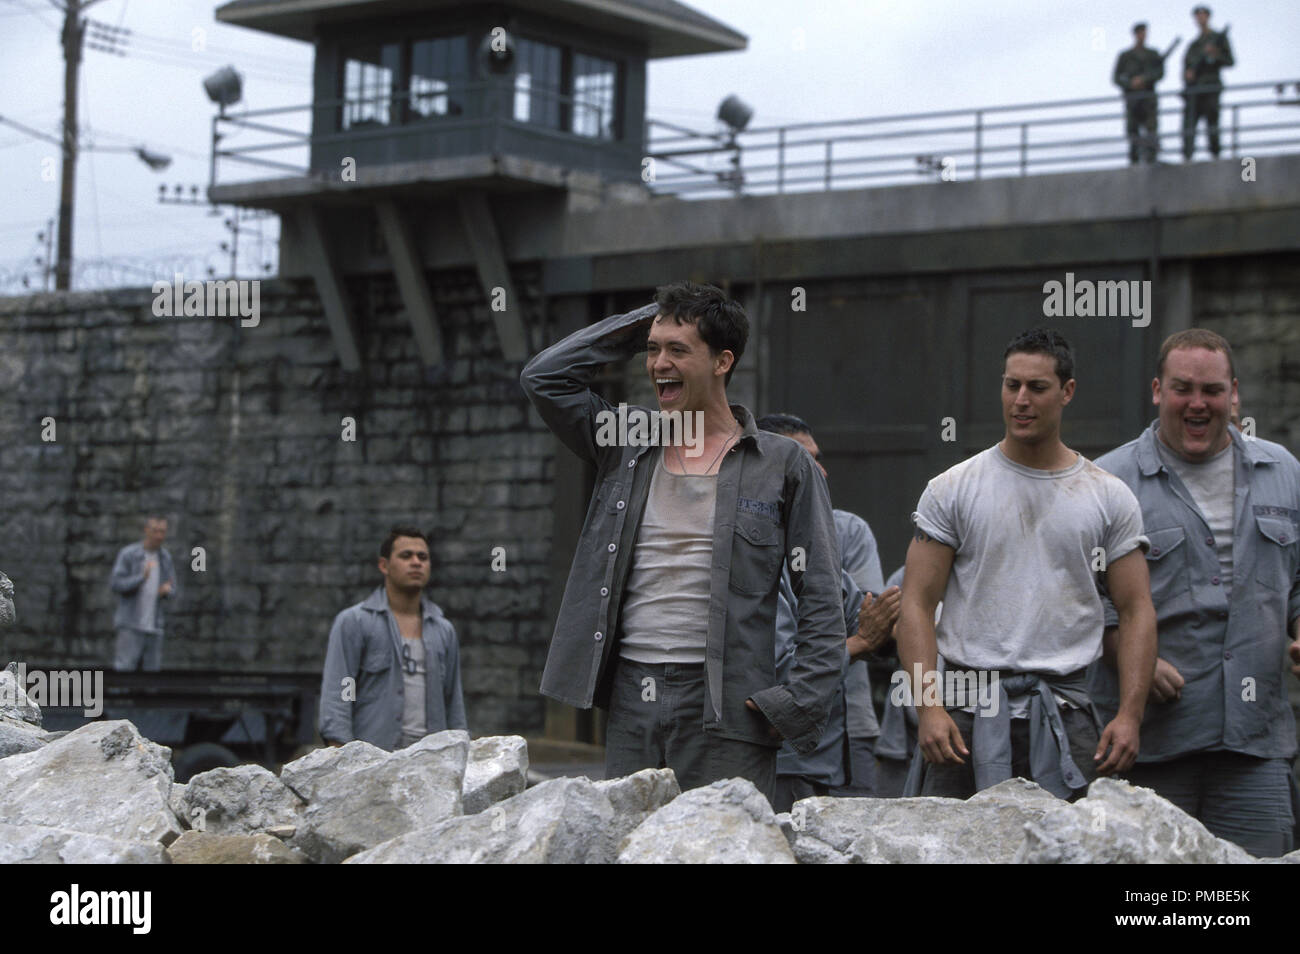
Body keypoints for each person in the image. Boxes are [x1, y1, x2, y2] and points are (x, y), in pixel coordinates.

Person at [520, 282, 845, 802]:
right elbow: (544, 378)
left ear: (722, 361)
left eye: (677, 350)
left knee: (722, 850)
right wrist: (650, 319)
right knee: (632, 846)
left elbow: (823, 595)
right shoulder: (625, 439)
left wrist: (799, 702)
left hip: (729, 704)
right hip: (631, 696)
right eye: (652, 349)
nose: (658, 364)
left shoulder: (783, 463)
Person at [896, 327, 1157, 799]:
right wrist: (929, 707)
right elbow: (916, 603)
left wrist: (1129, 716)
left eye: (1036, 387)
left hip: (1065, 712)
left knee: (1069, 851)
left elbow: (1137, 609)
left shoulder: (1107, 496)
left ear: (1067, 391)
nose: (1020, 399)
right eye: (1011, 384)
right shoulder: (953, 488)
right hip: (965, 714)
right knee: (951, 851)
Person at [1089, 330, 1300, 857]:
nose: (1198, 403)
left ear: (1235, 396)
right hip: (1150, 746)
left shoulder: (1284, 474)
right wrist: (1128, 654)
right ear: (1157, 390)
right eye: (1183, 388)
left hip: (1256, 747)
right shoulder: (1109, 484)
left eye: (1212, 390)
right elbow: (1074, 605)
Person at [756, 413, 901, 806]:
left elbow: (873, 618)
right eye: (805, 460)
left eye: (818, 459)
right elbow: (782, 669)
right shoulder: (753, 554)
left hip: (828, 756)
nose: (820, 472)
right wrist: (859, 643)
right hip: (780, 760)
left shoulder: (815, 548)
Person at [319, 526, 466, 750]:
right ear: (384, 565)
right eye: (406, 556)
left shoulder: (443, 630)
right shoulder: (354, 622)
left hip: (432, 760)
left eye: (423, 557)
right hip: (373, 758)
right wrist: (340, 754)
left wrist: (459, 749)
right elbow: (338, 693)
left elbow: (453, 702)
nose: (416, 562)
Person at [108, 516, 177, 671]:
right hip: (130, 624)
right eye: (155, 531)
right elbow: (116, 584)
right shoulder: (128, 554)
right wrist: (141, 578)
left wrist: (166, 591)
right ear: (146, 531)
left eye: (162, 532)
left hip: (154, 625)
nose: (159, 536)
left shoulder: (165, 558)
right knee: (125, 668)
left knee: (151, 673)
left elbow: (173, 587)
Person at [1182, 5, 1234, 161]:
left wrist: (1215, 54)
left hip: (1211, 88)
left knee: (1212, 124)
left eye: (1203, 15)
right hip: (1194, 91)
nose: (1200, 18)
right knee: (1189, 125)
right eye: (1197, 16)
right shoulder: (1194, 45)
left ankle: (1215, 155)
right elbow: (1186, 68)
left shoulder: (1218, 39)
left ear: (1208, 17)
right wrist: (1188, 75)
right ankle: (1188, 156)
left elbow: (1230, 61)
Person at [1113, 22, 1165, 165]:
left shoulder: (1153, 54)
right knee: (1133, 131)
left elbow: (1159, 73)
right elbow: (1116, 77)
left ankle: (1151, 158)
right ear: (1135, 34)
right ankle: (1134, 160)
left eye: (1144, 32)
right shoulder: (1125, 56)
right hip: (1133, 99)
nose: (1142, 35)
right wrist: (1131, 83)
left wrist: (1145, 79)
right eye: (1140, 33)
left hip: (1148, 99)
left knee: (1151, 130)